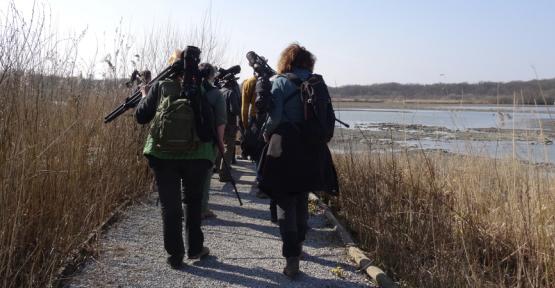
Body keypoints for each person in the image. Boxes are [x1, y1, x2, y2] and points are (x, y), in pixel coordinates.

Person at [134, 49, 226, 269]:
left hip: (163, 154)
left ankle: (175, 256)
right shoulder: (209, 89)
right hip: (198, 155)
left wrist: (146, 95)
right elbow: (217, 123)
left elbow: (141, 116)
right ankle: (195, 248)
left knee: (170, 206)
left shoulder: (162, 85)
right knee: (193, 203)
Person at [258, 43, 338, 278]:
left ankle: (291, 258)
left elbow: (274, 117)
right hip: (313, 148)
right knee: (302, 196)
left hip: (286, 147)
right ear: (308, 62)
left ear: (286, 61)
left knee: (284, 200)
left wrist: (265, 133)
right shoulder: (317, 83)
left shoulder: (280, 82)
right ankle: (300, 244)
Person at [215, 73, 241, 182]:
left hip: (217, 124)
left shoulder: (218, 92)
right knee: (228, 149)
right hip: (229, 124)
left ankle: (217, 168)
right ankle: (224, 174)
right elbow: (234, 110)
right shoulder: (231, 93)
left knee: (218, 147)